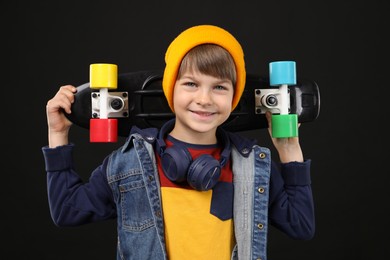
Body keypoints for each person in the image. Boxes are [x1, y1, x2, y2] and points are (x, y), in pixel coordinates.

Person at [42, 24, 315, 260]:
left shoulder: (251, 165)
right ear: (170, 89)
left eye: (219, 87)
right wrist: (58, 134)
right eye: (191, 84)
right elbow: (67, 211)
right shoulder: (131, 162)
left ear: (234, 96)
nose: (204, 99)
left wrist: (289, 148)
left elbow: (301, 225)